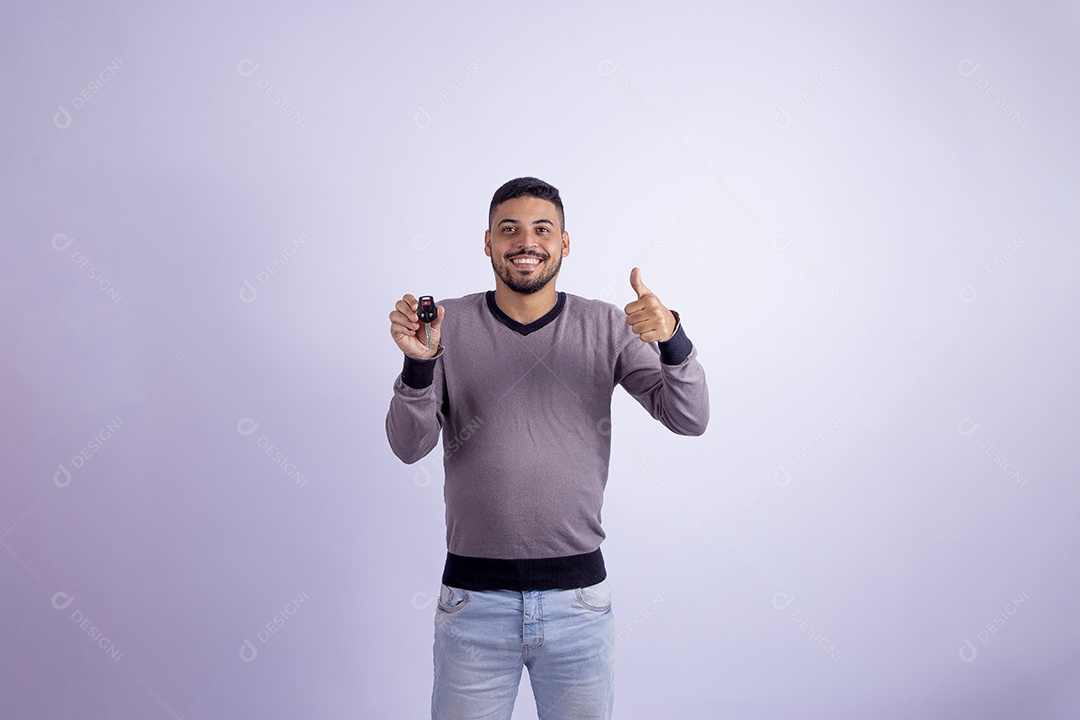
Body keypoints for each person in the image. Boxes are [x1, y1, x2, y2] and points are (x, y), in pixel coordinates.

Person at [385, 177, 709, 720]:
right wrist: (418, 366)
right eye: (509, 229)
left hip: (578, 605)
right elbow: (407, 445)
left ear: (564, 242)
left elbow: (689, 417)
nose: (526, 242)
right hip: (473, 604)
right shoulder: (445, 325)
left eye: (542, 229)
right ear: (487, 242)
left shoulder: (607, 325)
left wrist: (673, 339)